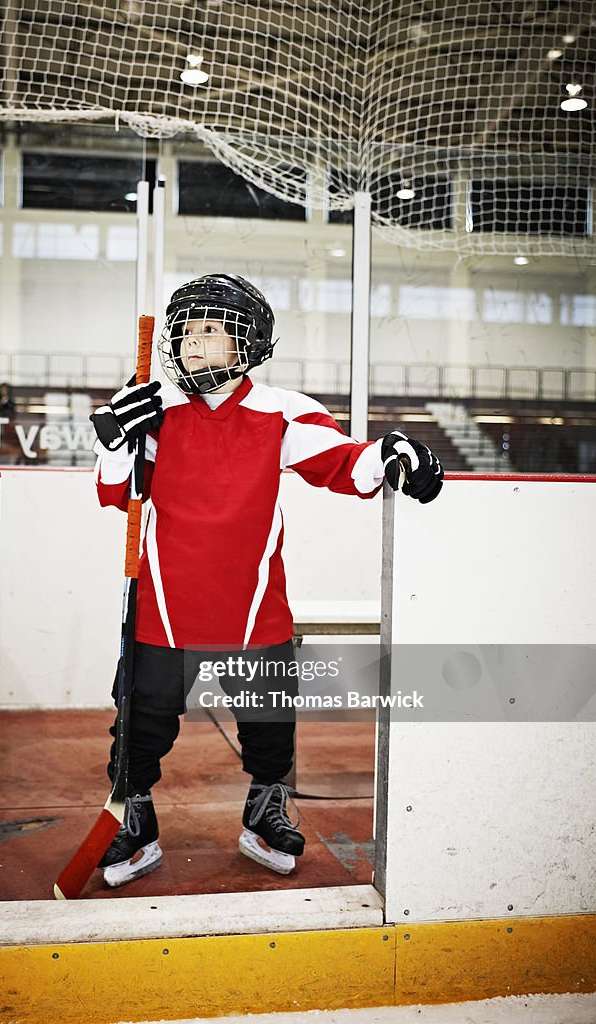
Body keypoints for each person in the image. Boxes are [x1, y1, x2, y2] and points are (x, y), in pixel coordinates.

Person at [90, 273, 443, 887]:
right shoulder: (151, 411)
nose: (193, 343)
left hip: (255, 610)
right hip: (162, 607)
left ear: (248, 341)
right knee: (141, 722)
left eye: (210, 329)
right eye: (186, 330)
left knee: (270, 724)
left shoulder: (284, 411)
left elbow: (343, 463)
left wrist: (392, 451)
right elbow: (113, 493)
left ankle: (264, 808)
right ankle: (134, 815)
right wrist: (117, 441)